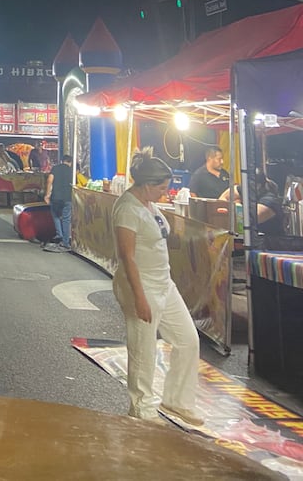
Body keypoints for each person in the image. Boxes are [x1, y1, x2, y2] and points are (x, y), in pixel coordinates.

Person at [112, 149, 203, 426]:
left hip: (164, 282)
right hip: (141, 285)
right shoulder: (127, 208)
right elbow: (126, 256)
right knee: (143, 348)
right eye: (162, 188)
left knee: (188, 340)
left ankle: (177, 400)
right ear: (146, 185)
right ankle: (142, 407)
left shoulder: (150, 205)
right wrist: (140, 297)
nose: (166, 192)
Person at [44, 153, 73, 251]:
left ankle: (59, 235)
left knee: (56, 215)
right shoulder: (72, 171)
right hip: (68, 198)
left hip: (56, 197)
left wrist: (47, 195)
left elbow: (49, 180)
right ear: (70, 163)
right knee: (66, 219)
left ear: (62, 161)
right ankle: (65, 242)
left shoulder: (55, 168)